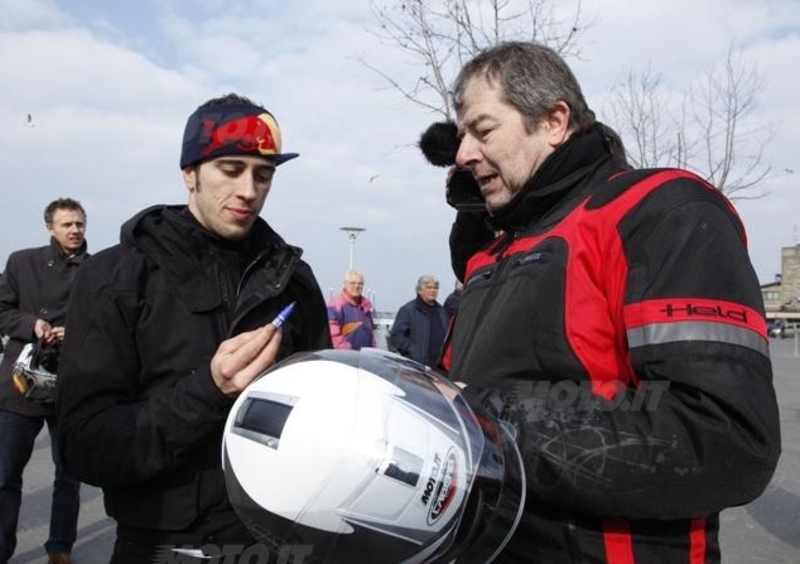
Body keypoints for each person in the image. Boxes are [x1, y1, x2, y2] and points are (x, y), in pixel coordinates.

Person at [440, 42, 781, 563]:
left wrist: (485, 418)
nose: (462, 154)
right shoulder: (488, 257)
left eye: (482, 131)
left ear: (554, 121)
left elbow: (724, 437)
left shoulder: (661, 211)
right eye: (462, 134)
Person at [55, 94, 332, 563]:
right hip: (166, 548)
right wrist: (209, 389)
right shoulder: (115, 277)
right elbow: (84, 445)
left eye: (263, 175)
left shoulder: (292, 279)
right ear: (190, 172)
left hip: (283, 544)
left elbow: (328, 413)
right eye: (230, 169)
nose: (249, 189)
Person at [0, 198, 88, 564]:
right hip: (19, 387)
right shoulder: (22, 261)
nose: (75, 231)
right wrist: (31, 325)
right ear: (49, 227)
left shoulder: (97, 270)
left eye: (80, 224)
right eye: (67, 224)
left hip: (69, 385)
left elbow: (109, 323)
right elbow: (2, 309)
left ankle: (60, 548)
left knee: (69, 475)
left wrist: (77, 331)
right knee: (5, 476)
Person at [389, 275, 448, 366]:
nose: (433, 291)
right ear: (420, 290)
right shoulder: (408, 310)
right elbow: (396, 336)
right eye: (429, 287)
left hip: (439, 367)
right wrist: (413, 351)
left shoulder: (442, 312)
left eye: (435, 288)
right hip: (417, 367)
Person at [327, 269, 376, 350]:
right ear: (345, 284)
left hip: (366, 358)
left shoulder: (366, 308)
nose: (357, 286)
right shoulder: (335, 306)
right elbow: (333, 335)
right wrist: (349, 353)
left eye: (360, 283)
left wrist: (373, 352)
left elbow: (371, 335)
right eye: (352, 283)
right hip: (345, 358)